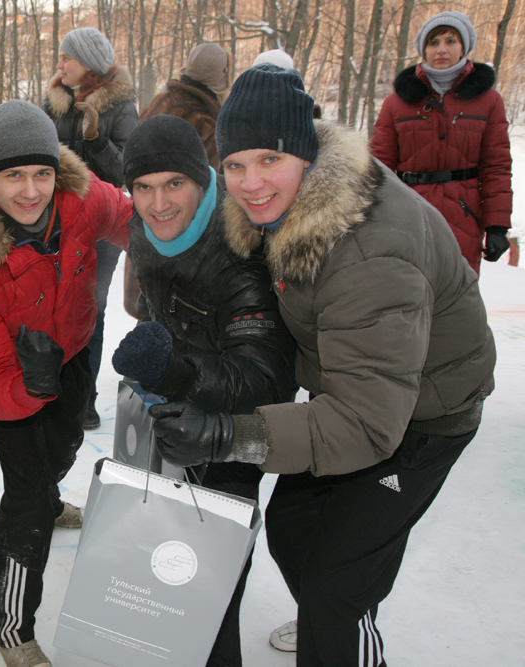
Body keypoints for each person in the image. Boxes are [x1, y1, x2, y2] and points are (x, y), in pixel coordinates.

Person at [149, 64, 496, 667]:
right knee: (294, 530)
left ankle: (341, 628)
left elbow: (367, 424)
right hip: (355, 388)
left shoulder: (367, 248)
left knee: (339, 588)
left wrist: (232, 435)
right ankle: (333, 624)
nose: (250, 182)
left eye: (268, 161)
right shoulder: (280, 209)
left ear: (307, 155)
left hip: (425, 414)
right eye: (234, 165)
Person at [0, 100, 133, 667]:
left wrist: (171, 266)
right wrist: (31, 384)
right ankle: (12, 628)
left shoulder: (82, 198)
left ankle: (50, 497)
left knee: (67, 443)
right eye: (14, 176)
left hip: (72, 351)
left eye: (42, 173)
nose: (30, 191)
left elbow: (136, 219)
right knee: (25, 502)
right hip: (16, 380)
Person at [110, 114, 297, 667]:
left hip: (232, 436)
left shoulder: (238, 254)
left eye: (174, 184)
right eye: (143, 187)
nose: (157, 202)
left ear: (202, 180)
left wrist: (175, 372)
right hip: (177, 421)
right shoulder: (145, 229)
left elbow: (265, 381)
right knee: (168, 577)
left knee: (212, 588)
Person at [42, 26, 138, 432]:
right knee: (48, 305)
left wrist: (95, 138)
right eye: (60, 57)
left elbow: (126, 171)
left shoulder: (122, 106)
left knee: (90, 311)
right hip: (54, 221)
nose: (60, 64)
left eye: (68, 58)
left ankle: (84, 401)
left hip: (100, 226)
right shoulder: (53, 102)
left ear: (91, 64)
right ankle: (47, 387)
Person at [372, 11, 512, 274]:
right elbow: (379, 167)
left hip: (464, 214)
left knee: (458, 299)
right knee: (406, 294)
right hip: (408, 213)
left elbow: (497, 166)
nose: (442, 49)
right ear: (424, 49)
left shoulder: (489, 100)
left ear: (464, 47)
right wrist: (370, 218)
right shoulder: (396, 103)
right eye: (433, 42)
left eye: (451, 41)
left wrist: (497, 226)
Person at [123, 42, 231, 319]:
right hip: (183, 263)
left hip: (145, 242)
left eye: (174, 183)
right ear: (221, 78)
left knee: (149, 321)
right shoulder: (209, 124)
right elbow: (206, 201)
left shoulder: (161, 101)